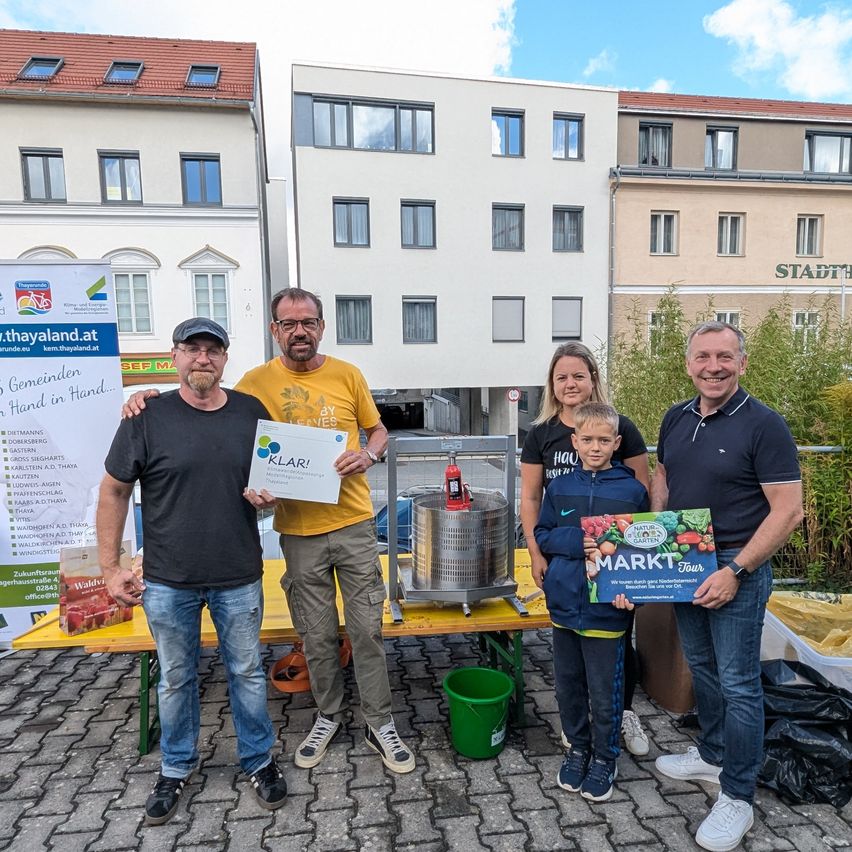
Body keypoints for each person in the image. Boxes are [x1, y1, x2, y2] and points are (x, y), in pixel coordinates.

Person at [125, 289, 414, 775]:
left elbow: (378, 430)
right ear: (274, 330)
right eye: (288, 324)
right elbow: (207, 405)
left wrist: (369, 454)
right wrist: (146, 398)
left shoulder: (348, 375)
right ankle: (327, 715)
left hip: (355, 524)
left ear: (321, 327)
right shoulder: (255, 384)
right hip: (297, 532)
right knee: (315, 634)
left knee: (368, 629)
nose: (299, 331)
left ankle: (380, 721)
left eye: (308, 322)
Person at [97, 318, 287, 826]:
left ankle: (259, 760)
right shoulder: (146, 415)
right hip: (167, 579)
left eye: (213, 350)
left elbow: (273, 487)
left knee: (246, 673)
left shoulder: (251, 413)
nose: (203, 358)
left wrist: (269, 500)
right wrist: (110, 568)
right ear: (175, 356)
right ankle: (175, 767)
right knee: (177, 678)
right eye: (192, 349)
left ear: (225, 360)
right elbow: (113, 491)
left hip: (239, 573)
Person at [652, 321, 803, 852]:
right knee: (705, 669)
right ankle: (712, 754)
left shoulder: (765, 425)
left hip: (736, 568)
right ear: (689, 363)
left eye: (723, 357)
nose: (712, 366)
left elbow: (789, 511)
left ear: (742, 363)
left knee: (740, 685)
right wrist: (657, 536)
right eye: (702, 357)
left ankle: (737, 794)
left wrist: (735, 570)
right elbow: (663, 477)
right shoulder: (677, 416)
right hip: (687, 561)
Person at [520, 342, 651, 757]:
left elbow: (642, 495)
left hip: (613, 566)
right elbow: (530, 499)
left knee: (616, 639)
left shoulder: (621, 426)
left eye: (579, 375)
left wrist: (636, 569)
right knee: (571, 654)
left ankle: (621, 712)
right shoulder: (541, 434)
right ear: (552, 385)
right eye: (562, 377)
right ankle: (579, 730)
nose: (571, 383)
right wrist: (537, 555)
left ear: (593, 379)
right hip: (565, 561)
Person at [534, 402, 650, 803]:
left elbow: (644, 552)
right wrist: (574, 542)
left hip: (607, 609)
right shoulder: (560, 487)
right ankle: (578, 748)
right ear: (575, 441)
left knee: (605, 690)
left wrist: (632, 593)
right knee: (567, 685)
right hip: (565, 604)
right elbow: (543, 533)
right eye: (588, 439)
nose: (596, 447)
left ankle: (605, 756)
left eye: (604, 440)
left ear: (617, 443)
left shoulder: (633, 491)